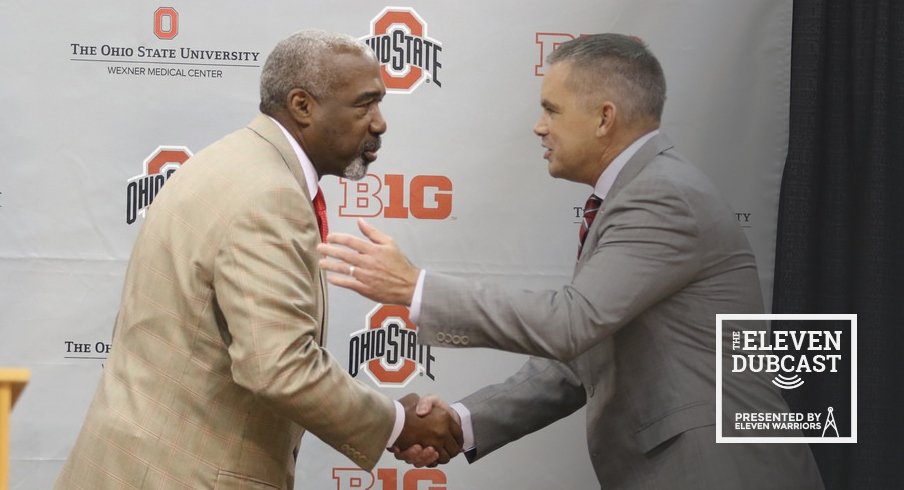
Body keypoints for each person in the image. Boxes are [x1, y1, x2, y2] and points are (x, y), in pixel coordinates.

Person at [318, 34, 824, 489]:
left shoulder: (660, 197)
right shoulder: (636, 195)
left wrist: (415, 288)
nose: (539, 127)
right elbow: (580, 360)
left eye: (552, 110)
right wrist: (463, 422)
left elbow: (572, 324)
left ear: (604, 118)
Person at [55, 31, 461, 490]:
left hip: (138, 462)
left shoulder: (230, 161)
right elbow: (278, 366)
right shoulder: (269, 195)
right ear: (303, 106)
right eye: (364, 104)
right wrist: (396, 424)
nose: (380, 123)